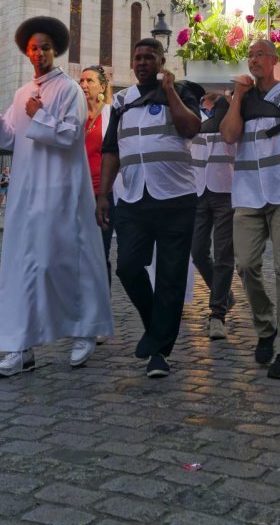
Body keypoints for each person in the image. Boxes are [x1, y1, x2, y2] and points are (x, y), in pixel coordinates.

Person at [0, 15, 113, 377]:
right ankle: (20, 347)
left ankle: (84, 329)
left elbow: (70, 136)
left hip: (60, 191)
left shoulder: (69, 89)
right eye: (34, 48)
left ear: (56, 50)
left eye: (46, 48)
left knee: (63, 261)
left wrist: (40, 116)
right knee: (22, 266)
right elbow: (8, 137)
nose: (39, 54)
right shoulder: (22, 93)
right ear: (27, 52)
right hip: (26, 192)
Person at [97, 38, 201, 378]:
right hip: (133, 198)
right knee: (127, 266)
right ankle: (156, 329)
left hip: (176, 198)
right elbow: (111, 150)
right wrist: (103, 194)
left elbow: (191, 128)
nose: (142, 62)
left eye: (149, 57)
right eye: (137, 57)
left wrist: (170, 92)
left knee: (171, 277)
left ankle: (159, 352)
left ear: (161, 60)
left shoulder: (182, 91)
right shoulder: (122, 100)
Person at [220, 39, 280, 380]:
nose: (253, 60)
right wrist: (239, 98)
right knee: (245, 264)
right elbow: (229, 136)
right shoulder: (239, 99)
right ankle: (265, 326)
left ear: (273, 60)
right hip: (247, 194)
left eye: (260, 54)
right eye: (250, 55)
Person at [190, 91, 236, 340]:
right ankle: (225, 296)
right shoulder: (191, 108)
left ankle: (217, 314)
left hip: (225, 190)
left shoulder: (229, 109)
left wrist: (227, 101)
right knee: (197, 251)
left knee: (223, 255)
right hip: (198, 191)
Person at [79, 64, 114, 283]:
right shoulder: (75, 115)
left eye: (89, 81)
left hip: (104, 193)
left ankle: (102, 304)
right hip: (78, 192)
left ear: (101, 86)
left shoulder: (111, 114)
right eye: (81, 81)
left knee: (100, 250)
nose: (83, 85)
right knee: (78, 252)